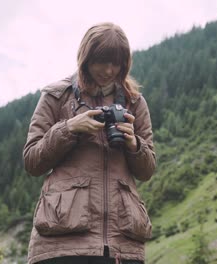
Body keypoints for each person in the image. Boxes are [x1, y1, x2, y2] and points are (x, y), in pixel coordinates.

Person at [23, 22, 156, 264]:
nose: (109, 70)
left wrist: (133, 144)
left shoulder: (134, 103)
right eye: (102, 61)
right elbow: (32, 160)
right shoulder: (56, 96)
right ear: (86, 57)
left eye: (116, 63)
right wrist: (69, 128)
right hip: (61, 241)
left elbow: (147, 171)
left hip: (122, 244)